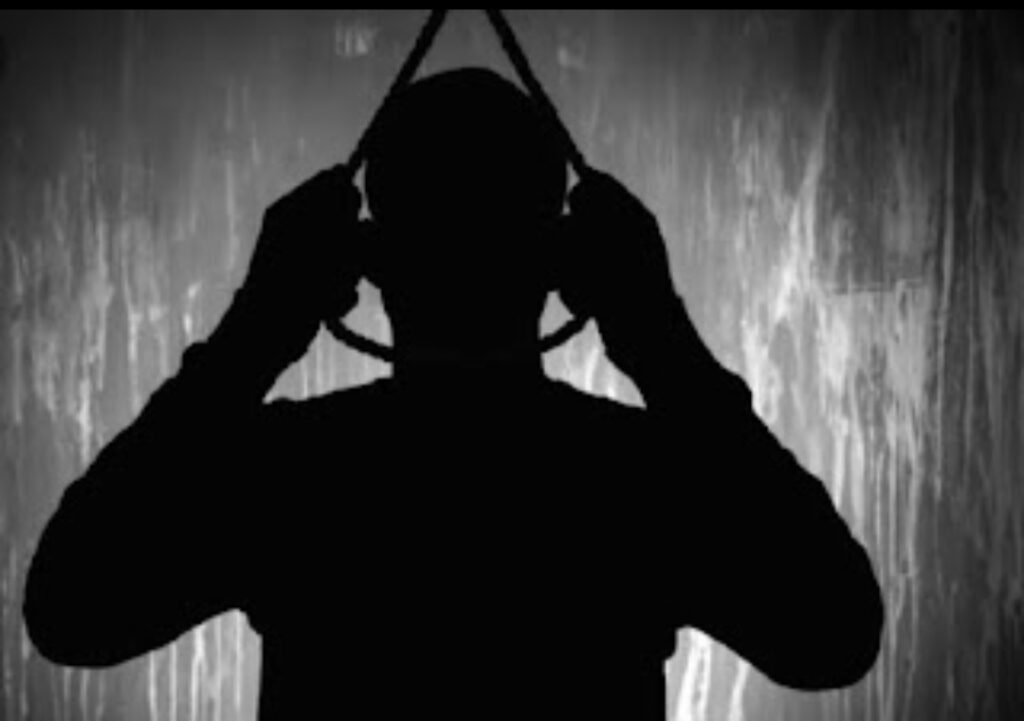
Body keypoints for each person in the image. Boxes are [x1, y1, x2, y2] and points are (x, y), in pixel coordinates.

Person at [23, 68, 883, 720]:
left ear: (373, 261)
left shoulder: (291, 470)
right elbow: (832, 636)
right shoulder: (643, 475)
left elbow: (72, 611)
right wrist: (661, 341)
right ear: (556, 261)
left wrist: (254, 333)